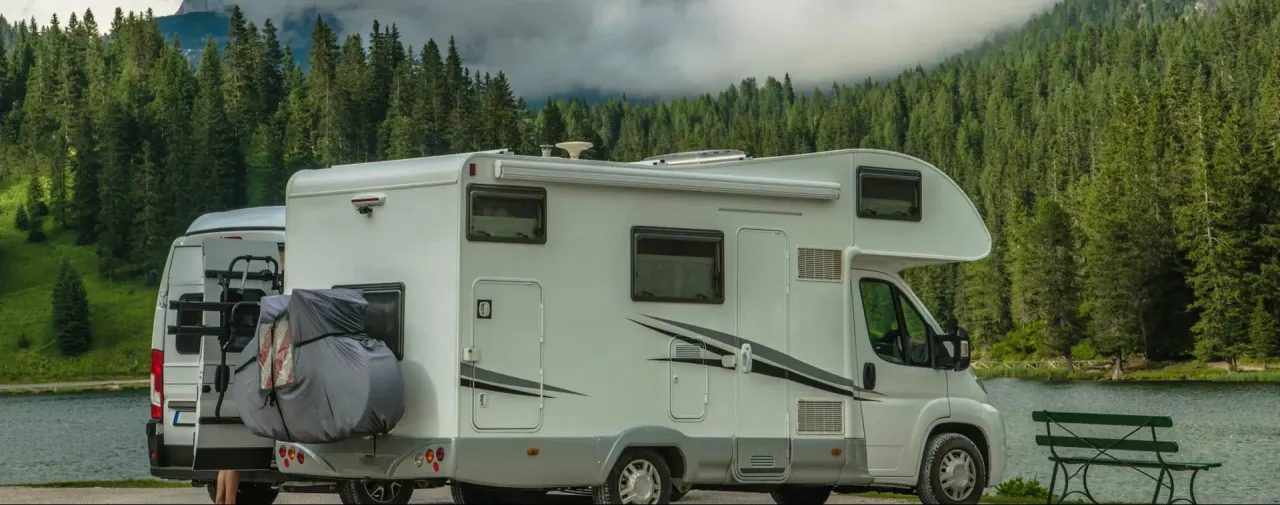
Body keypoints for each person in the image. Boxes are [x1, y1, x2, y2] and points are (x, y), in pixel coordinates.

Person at [216, 243, 286, 505]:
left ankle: (223, 501)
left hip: (230, 390)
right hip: (245, 398)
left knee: (226, 459)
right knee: (235, 458)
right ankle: (230, 501)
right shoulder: (256, 345)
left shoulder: (235, 344)